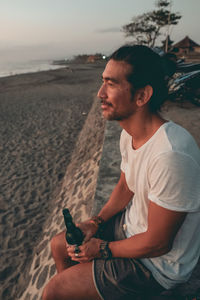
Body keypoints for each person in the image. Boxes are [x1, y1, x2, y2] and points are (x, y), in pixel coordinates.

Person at [42, 45, 200, 300]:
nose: (100, 93)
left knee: (54, 291)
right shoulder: (131, 135)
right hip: (131, 229)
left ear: (142, 96)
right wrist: (95, 223)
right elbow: (126, 187)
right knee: (59, 245)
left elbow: (159, 242)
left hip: (157, 265)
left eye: (111, 84)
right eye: (103, 82)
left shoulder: (170, 155)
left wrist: (103, 249)